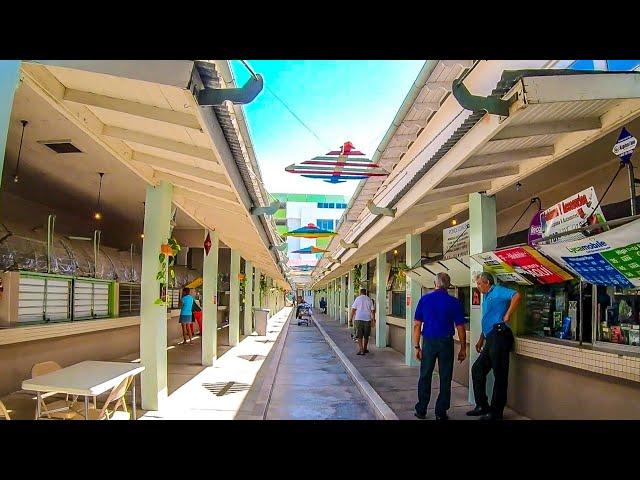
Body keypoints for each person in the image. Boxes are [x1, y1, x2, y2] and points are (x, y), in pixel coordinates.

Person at [467, 272, 521, 420]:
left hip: (500, 335)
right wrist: (481, 339)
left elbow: (516, 295)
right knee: (477, 369)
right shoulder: (486, 296)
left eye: (479, 284)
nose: (477, 287)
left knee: (500, 375)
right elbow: (487, 319)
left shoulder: (498, 291)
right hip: (490, 336)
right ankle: (482, 405)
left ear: (487, 283)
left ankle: (496, 413)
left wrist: (508, 314)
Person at [413, 272, 467, 421]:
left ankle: (421, 409)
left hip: (429, 341)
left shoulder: (424, 300)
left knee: (425, 375)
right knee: (445, 376)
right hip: (446, 343)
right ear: (448, 285)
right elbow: (460, 327)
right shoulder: (454, 302)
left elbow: (417, 325)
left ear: (435, 283)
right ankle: (440, 412)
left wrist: (417, 347)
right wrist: (463, 347)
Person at [350, 288, 375, 355]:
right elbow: (372, 311)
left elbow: (353, 310)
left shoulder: (358, 299)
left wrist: (350, 319)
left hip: (358, 319)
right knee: (366, 336)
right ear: (366, 293)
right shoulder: (369, 299)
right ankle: (365, 348)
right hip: (367, 319)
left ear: (360, 292)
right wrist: (373, 320)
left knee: (359, 335)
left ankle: (361, 350)